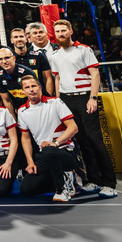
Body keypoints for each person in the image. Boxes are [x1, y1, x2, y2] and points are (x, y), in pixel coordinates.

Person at [48, 19, 117, 198]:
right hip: (66, 99)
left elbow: (95, 74)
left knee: (95, 140)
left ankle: (110, 183)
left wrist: (93, 97)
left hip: (85, 97)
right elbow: (57, 79)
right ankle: (93, 180)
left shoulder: (84, 50)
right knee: (82, 141)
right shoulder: (54, 55)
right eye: (58, 32)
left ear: (71, 31)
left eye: (64, 30)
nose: (61, 34)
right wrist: (57, 101)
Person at [17, 74, 80, 202]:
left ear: (40, 87)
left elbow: (73, 128)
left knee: (48, 150)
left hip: (66, 152)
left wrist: (55, 143)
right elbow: (25, 138)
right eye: (27, 87)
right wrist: (30, 161)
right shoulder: (22, 111)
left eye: (34, 86)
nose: (31, 89)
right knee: (27, 189)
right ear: (23, 91)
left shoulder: (55, 102)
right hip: (45, 155)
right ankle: (64, 178)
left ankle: (61, 190)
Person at [0, 47, 35, 118]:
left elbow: (36, 95)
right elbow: (7, 101)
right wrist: (14, 121)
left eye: (7, 58)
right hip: (17, 110)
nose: (4, 62)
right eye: (0, 59)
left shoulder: (27, 73)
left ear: (14, 58)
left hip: (33, 108)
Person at [12, 27, 53, 95]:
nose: (19, 39)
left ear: (26, 39)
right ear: (11, 40)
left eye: (21, 36)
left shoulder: (39, 56)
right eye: (16, 37)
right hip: (20, 99)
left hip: (39, 97)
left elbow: (48, 79)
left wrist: (49, 98)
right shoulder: (9, 59)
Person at [26, 22, 56, 94]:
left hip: (62, 88)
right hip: (40, 91)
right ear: (30, 36)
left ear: (46, 33)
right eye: (35, 33)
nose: (38, 35)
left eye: (41, 32)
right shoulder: (27, 54)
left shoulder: (58, 49)